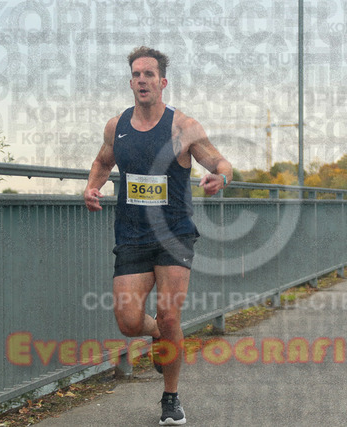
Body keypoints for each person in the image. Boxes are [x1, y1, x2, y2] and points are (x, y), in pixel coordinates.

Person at [83, 46, 232, 425]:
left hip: (174, 234)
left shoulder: (183, 127)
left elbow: (218, 160)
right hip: (131, 234)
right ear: (131, 81)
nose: (142, 80)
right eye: (136, 74)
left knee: (168, 316)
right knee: (128, 322)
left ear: (162, 82)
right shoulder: (117, 126)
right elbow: (102, 161)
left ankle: (171, 397)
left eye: (149, 74)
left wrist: (220, 176)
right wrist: (91, 187)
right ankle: (157, 336)